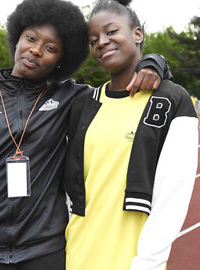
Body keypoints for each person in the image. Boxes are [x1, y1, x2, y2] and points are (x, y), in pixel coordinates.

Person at [0, 0, 170, 269]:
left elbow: (119, 86)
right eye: (30, 38)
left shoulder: (72, 99)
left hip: (46, 252)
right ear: (17, 37)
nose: (35, 50)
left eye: (50, 48)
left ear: (62, 60)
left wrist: (154, 62)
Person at [65, 0, 198, 270]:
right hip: (76, 253)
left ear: (137, 34)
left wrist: (147, 264)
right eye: (93, 40)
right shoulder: (82, 103)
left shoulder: (171, 99)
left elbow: (173, 196)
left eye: (111, 32)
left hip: (132, 259)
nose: (101, 42)